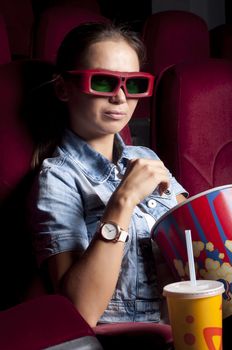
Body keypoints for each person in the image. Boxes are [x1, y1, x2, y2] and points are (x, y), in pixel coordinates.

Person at [28, 22, 187, 328]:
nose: (120, 97)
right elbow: (80, 311)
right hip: (128, 342)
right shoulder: (57, 180)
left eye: (135, 84)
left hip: (188, 326)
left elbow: (200, 244)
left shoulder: (146, 158)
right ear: (63, 88)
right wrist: (123, 201)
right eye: (103, 82)